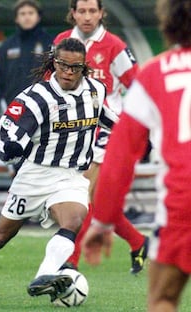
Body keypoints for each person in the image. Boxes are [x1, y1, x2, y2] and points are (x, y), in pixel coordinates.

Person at [0, 38, 119, 303]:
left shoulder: (96, 90)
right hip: (35, 174)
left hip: (70, 175)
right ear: (53, 63)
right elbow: (9, 129)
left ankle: (44, 276)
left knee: (74, 220)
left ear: (84, 67)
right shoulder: (37, 97)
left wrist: (131, 133)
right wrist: (11, 147)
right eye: (63, 66)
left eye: (75, 67)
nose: (69, 72)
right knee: (0, 236)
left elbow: (103, 115)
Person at [81, 1, 191, 311]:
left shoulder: (154, 73)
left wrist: (101, 222)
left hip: (184, 205)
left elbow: (120, 156)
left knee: (163, 299)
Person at [53, 0, 149, 274]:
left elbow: (138, 85)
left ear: (101, 13)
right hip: (74, 129)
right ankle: (138, 241)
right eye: (81, 11)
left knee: (83, 196)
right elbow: (50, 81)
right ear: (72, 13)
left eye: (92, 11)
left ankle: (69, 266)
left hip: (108, 130)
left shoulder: (114, 46)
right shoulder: (61, 42)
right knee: (97, 202)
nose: (87, 17)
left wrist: (138, 126)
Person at [0, 0, 53, 127]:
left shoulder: (50, 43)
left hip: (44, 106)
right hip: (14, 107)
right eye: (22, 13)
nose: (27, 17)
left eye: (31, 13)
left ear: (38, 16)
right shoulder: (6, 46)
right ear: (16, 19)